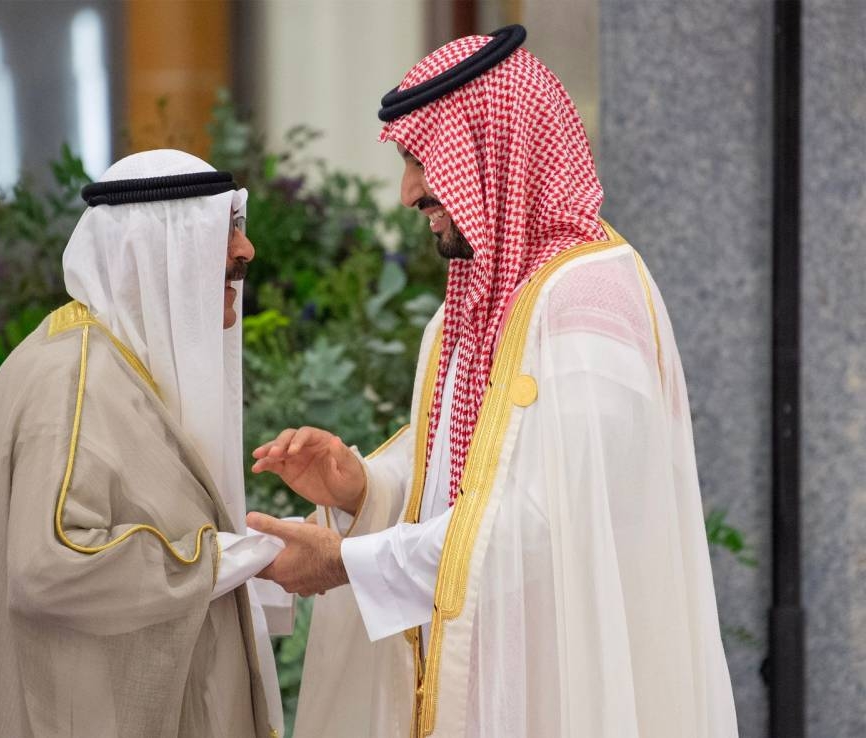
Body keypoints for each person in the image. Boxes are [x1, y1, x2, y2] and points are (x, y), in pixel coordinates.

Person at [247, 26, 740, 738]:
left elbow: (543, 525)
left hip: (555, 695)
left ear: (493, 153)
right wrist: (363, 488)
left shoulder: (588, 307)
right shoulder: (477, 300)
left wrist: (348, 562)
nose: (409, 192)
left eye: (422, 160)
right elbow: (473, 470)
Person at [0, 149, 287, 738]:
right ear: (157, 248)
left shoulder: (118, 368)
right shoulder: (73, 380)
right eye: (223, 231)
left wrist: (261, 555)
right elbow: (56, 563)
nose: (245, 250)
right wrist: (232, 558)